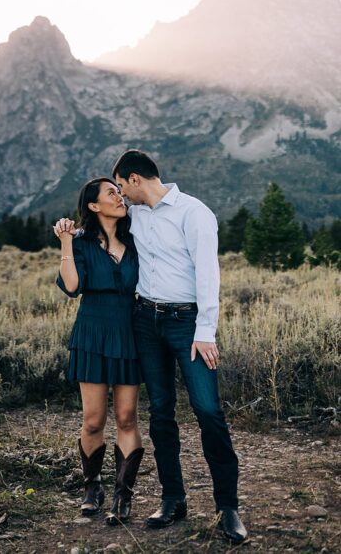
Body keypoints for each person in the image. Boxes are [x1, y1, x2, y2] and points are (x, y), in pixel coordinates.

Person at [111, 149, 247, 544]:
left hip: (188, 324)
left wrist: (205, 330)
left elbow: (208, 273)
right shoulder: (134, 215)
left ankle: (228, 507)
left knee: (208, 410)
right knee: (162, 413)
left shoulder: (194, 212)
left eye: (121, 186)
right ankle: (173, 499)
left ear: (136, 179)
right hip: (145, 321)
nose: (120, 195)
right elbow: (102, 225)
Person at [54, 177, 144, 526]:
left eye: (120, 191)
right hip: (92, 332)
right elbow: (73, 286)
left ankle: (124, 495)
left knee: (126, 417)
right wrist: (65, 242)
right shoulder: (80, 242)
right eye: (111, 193)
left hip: (129, 333)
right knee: (93, 419)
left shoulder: (136, 240)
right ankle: (92, 487)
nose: (120, 197)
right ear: (94, 205)